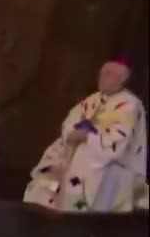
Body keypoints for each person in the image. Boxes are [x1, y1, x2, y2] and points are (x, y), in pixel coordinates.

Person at [25, 58, 146, 212]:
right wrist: (73, 133)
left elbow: (118, 141)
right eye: (102, 74)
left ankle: (76, 218)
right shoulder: (93, 99)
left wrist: (88, 137)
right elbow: (70, 121)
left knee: (84, 161)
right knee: (45, 176)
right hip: (75, 150)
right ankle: (43, 215)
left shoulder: (129, 104)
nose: (102, 78)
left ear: (122, 79)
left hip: (110, 163)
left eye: (109, 74)